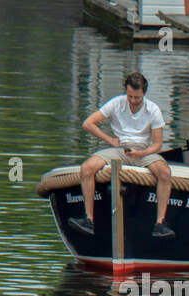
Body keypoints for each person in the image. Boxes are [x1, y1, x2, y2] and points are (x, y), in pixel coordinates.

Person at [68, 72, 174, 239]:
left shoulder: (153, 109)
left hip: (143, 150)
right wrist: (110, 139)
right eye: (130, 96)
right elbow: (88, 123)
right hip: (120, 148)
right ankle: (88, 219)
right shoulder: (116, 103)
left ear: (144, 94)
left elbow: (157, 144)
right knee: (87, 168)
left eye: (137, 98)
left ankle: (160, 222)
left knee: (165, 173)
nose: (133, 101)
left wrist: (141, 153)